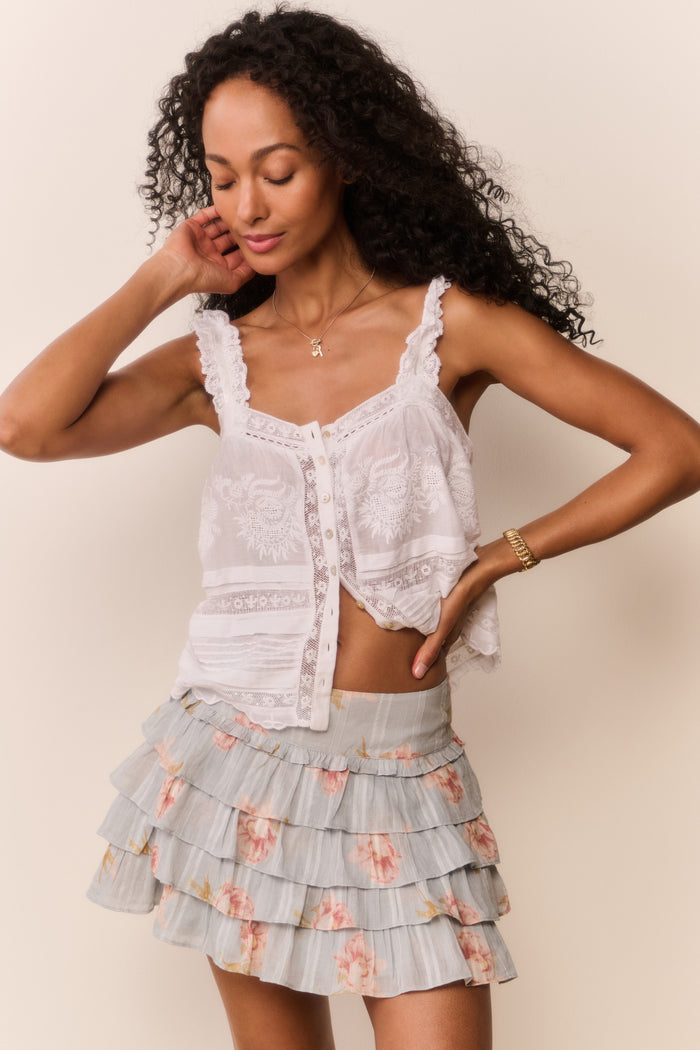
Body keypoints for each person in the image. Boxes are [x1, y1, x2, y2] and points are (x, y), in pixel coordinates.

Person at [1, 6, 698, 1050]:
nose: (247, 202)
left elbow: (674, 448)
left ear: (345, 157)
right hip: (237, 759)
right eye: (221, 173)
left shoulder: (450, 327)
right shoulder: (215, 359)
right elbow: (25, 426)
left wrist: (504, 554)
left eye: (276, 169)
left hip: (403, 777)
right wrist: (166, 279)